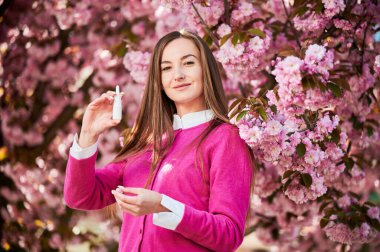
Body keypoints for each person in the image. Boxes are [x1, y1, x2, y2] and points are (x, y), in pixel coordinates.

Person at [64, 29, 255, 252]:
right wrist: (88, 135)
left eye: (189, 63)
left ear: (207, 70)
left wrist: (162, 206)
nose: (178, 75)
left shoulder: (226, 138)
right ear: (159, 80)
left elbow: (228, 234)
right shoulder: (146, 142)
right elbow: (80, 197)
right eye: (166, 68)